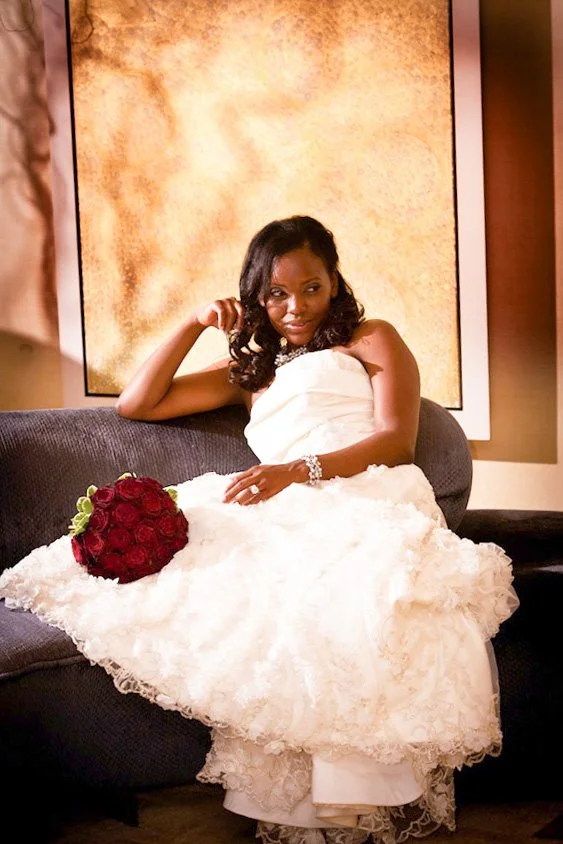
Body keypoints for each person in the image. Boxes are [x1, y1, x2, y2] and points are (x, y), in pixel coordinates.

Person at [0, 216, 518, 844]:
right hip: (284, 503)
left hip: (367, 494)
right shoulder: (252, 374)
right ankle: (305, 804)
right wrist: (194, 323)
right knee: (240, 597)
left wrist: (298, 471)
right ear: (255, 297)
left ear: (334, 284)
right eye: (276, 294)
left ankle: (353, 798)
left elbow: (396, 443)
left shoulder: (371, 338)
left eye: (311, 288)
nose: (294, 307)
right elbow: (137, 403)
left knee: (347, 597)